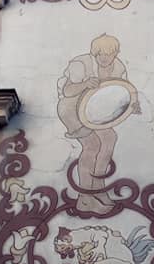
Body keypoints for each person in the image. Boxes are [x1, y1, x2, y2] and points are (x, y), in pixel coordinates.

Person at [56, 34, 138, 215]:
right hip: (71, 109)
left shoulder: (119, 67)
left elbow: (120, 93)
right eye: (99, 54)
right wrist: (84, 84)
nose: (104, 58)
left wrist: (131, 105)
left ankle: (98, 188)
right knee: (92, 145)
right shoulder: (81, 64)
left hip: (95, 111)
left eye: (108, 54)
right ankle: (85, 199)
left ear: (115, 53)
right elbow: (67, 91)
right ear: (94, 53)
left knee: (110, 138)